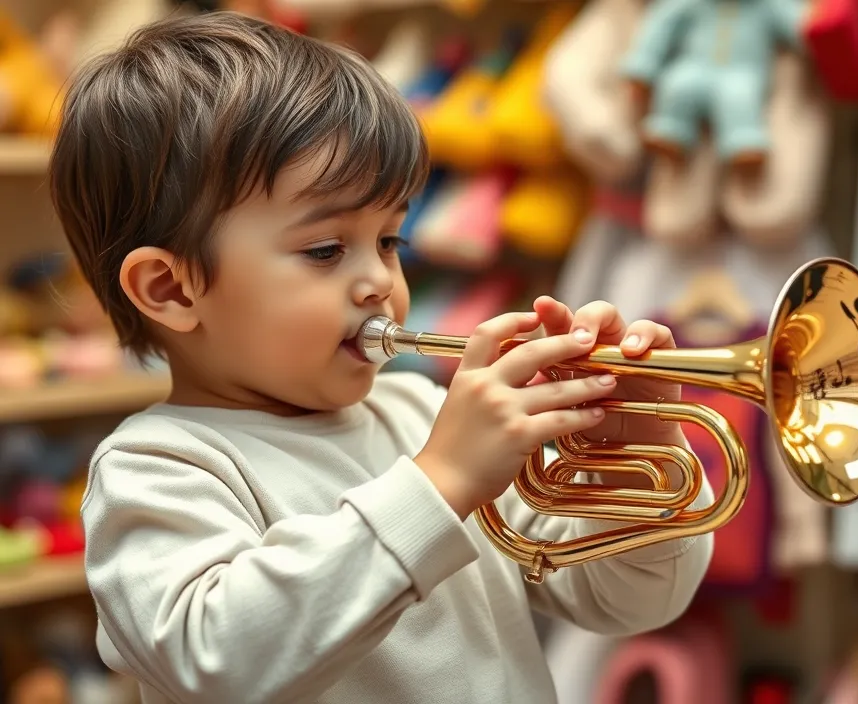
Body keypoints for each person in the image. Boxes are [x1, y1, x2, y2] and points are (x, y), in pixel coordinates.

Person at [48, 10, 714, 704]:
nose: (379, 282)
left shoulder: (423, 414)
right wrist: (439, 483)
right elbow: (218, 659)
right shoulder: (157, 472)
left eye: (391, 241)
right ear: (171, 288)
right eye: (326, 250)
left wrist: (630, 467)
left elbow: (628, 602)